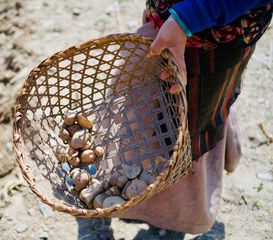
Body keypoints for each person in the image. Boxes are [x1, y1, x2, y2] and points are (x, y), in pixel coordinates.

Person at [109, 0, 273, 238]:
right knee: (152, 108)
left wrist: (187, 18)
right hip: (172, 24)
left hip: (214, 36)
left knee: (191, 125)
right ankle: (141, 197)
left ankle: (175, 219)